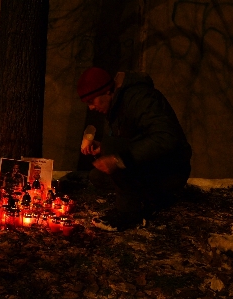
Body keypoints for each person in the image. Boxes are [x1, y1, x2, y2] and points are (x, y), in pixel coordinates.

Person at [77, 67, 192, 231]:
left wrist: (119, 158)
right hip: (150, 166)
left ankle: (128, 214)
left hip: (172, 169)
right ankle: (153, 199)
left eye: (91, 101)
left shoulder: (140, 98)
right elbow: (133, 139)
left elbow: (166, 138)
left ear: (107, 92)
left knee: (111, 147)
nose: (91, 108)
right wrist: (104, 149)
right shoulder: (117, 105)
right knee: (98, 176)